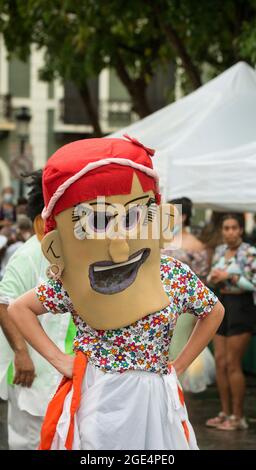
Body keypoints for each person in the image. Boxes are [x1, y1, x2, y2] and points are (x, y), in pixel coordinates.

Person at [8, 136, 224, 450]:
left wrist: (177, 365)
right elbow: (18, 309)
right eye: (98, 220)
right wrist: (60, 361)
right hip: (99, 396)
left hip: (155, 398)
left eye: (135, 215)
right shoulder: (74, 278)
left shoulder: (171, 272)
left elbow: (213, 311)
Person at [0, 170, 76, 450]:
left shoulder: (64, 251)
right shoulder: (28, 255)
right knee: (28, 442)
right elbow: (4, 304)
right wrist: (21, 354)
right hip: (29, 373)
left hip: (59, 372)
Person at [206, 213, 256, 431]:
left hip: (241, 306)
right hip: (222, 303)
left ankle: (238, 417)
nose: (230, 232)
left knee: (233, 363)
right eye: (226, 228)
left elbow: (253, 284)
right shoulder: (219, 250)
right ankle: (224, 413)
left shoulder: (250, 252)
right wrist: (214, 277)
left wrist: (230, 277)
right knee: (220, 362)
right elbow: (210, 276)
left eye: (234, 228)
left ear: (241, 230)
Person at [164, 198, 215, 393]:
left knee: (177, 350)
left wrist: (196, 314)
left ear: (182, 216)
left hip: (183, 310)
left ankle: (177, 397)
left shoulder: (195, 244)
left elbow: (202, 282)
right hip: (158, 305)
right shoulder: (164, 239)